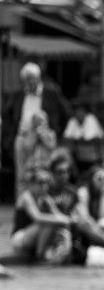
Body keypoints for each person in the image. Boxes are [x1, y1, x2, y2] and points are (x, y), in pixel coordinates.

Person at [2, 62, 71, 200]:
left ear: (39, 78)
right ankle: (22, 207)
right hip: (24, 137)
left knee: (45, 172)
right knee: (23, 175)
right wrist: (11, 135)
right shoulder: (18, 94)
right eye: (27, 79)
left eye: (32, 78)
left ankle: (43, 204)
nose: (30, 82)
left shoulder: (51, 92)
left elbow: (67, 112)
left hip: (44, 137)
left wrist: (56, 131)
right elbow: (6, 114)